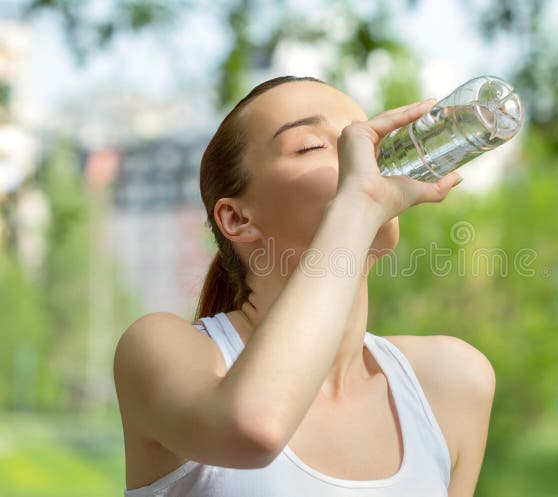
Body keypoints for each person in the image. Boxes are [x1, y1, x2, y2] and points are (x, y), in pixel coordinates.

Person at [113, 75, 496, 497]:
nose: (363, 159)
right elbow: (252, 428)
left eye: (363, 139)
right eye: (313, 145)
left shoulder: (451, 382)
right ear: (238, 218)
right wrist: (358, 204)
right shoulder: (163, 350)